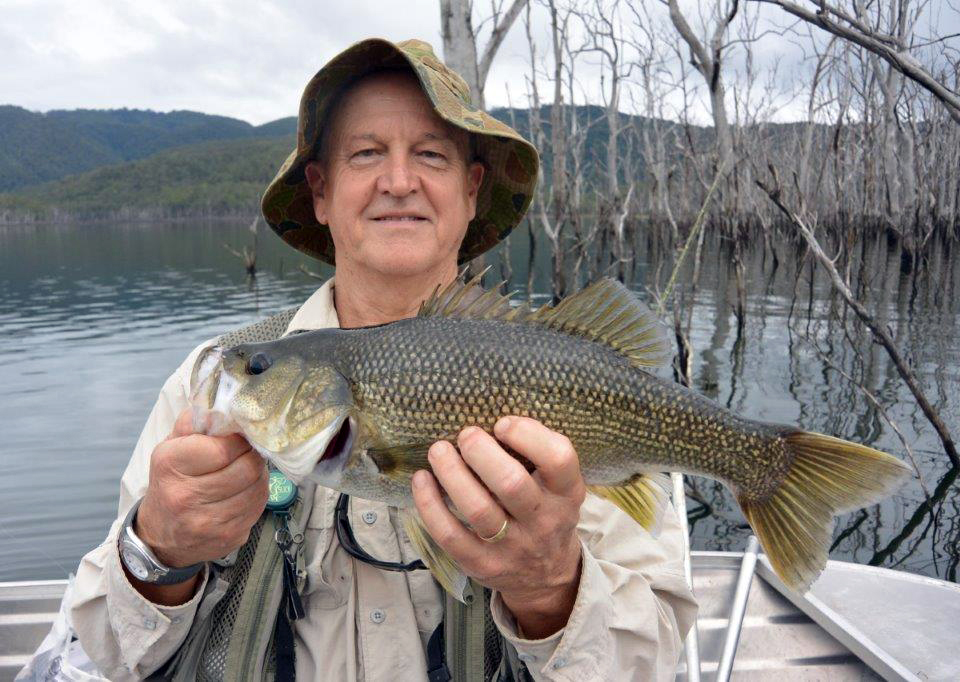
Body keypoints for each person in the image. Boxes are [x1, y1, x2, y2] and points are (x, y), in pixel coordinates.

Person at [67, 38, 697, 681]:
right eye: (367, 154)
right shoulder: (205, 385)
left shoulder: (559, 370)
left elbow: (652, 659)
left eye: (430, 154)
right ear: (319, 191)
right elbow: (107, 655)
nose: (399, 181)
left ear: (473, 189)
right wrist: (159, 554)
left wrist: (550, 589)